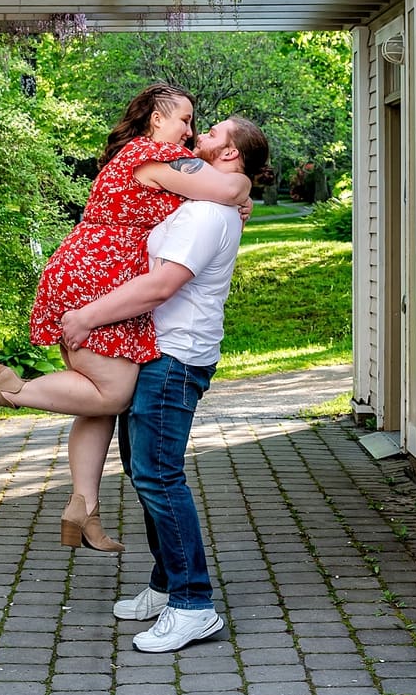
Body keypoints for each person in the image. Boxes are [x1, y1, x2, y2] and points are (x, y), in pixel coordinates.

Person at [0, 85, 251, 552]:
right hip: (98, 277)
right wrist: (243, 188)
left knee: (96, 403)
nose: (190, 129)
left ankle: (85, 509)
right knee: (114, 393)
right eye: (183, 119)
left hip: (96, 270)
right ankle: (11, 390)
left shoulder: (155, 157)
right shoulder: (153, 153)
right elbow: (225, 187)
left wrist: (239, 196)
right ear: (156, 119)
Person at [60, 115, 270, 653]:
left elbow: (160, 286)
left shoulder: (206, 216)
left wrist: (86, 316)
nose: (200, 133)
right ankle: (165, 584)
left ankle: (194, 604)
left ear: (231, 155)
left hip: (176, 356)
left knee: (159, 475)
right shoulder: (204, 200)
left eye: (214, 133)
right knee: (143, 469)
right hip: (155, 350)